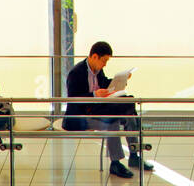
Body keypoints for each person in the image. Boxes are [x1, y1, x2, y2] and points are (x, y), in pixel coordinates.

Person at [62, 41, 152, 178]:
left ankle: (134, 155)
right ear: (94, 57)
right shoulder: (76, 73)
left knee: (130, 117)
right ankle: (115, 163)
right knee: (112, 122)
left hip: (97, 109)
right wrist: (93, 95)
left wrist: (120, 81)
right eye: (104, 61)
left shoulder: (97, 70)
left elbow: (104, 84)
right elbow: (73, 100)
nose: (105, 64)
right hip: (80, 116)